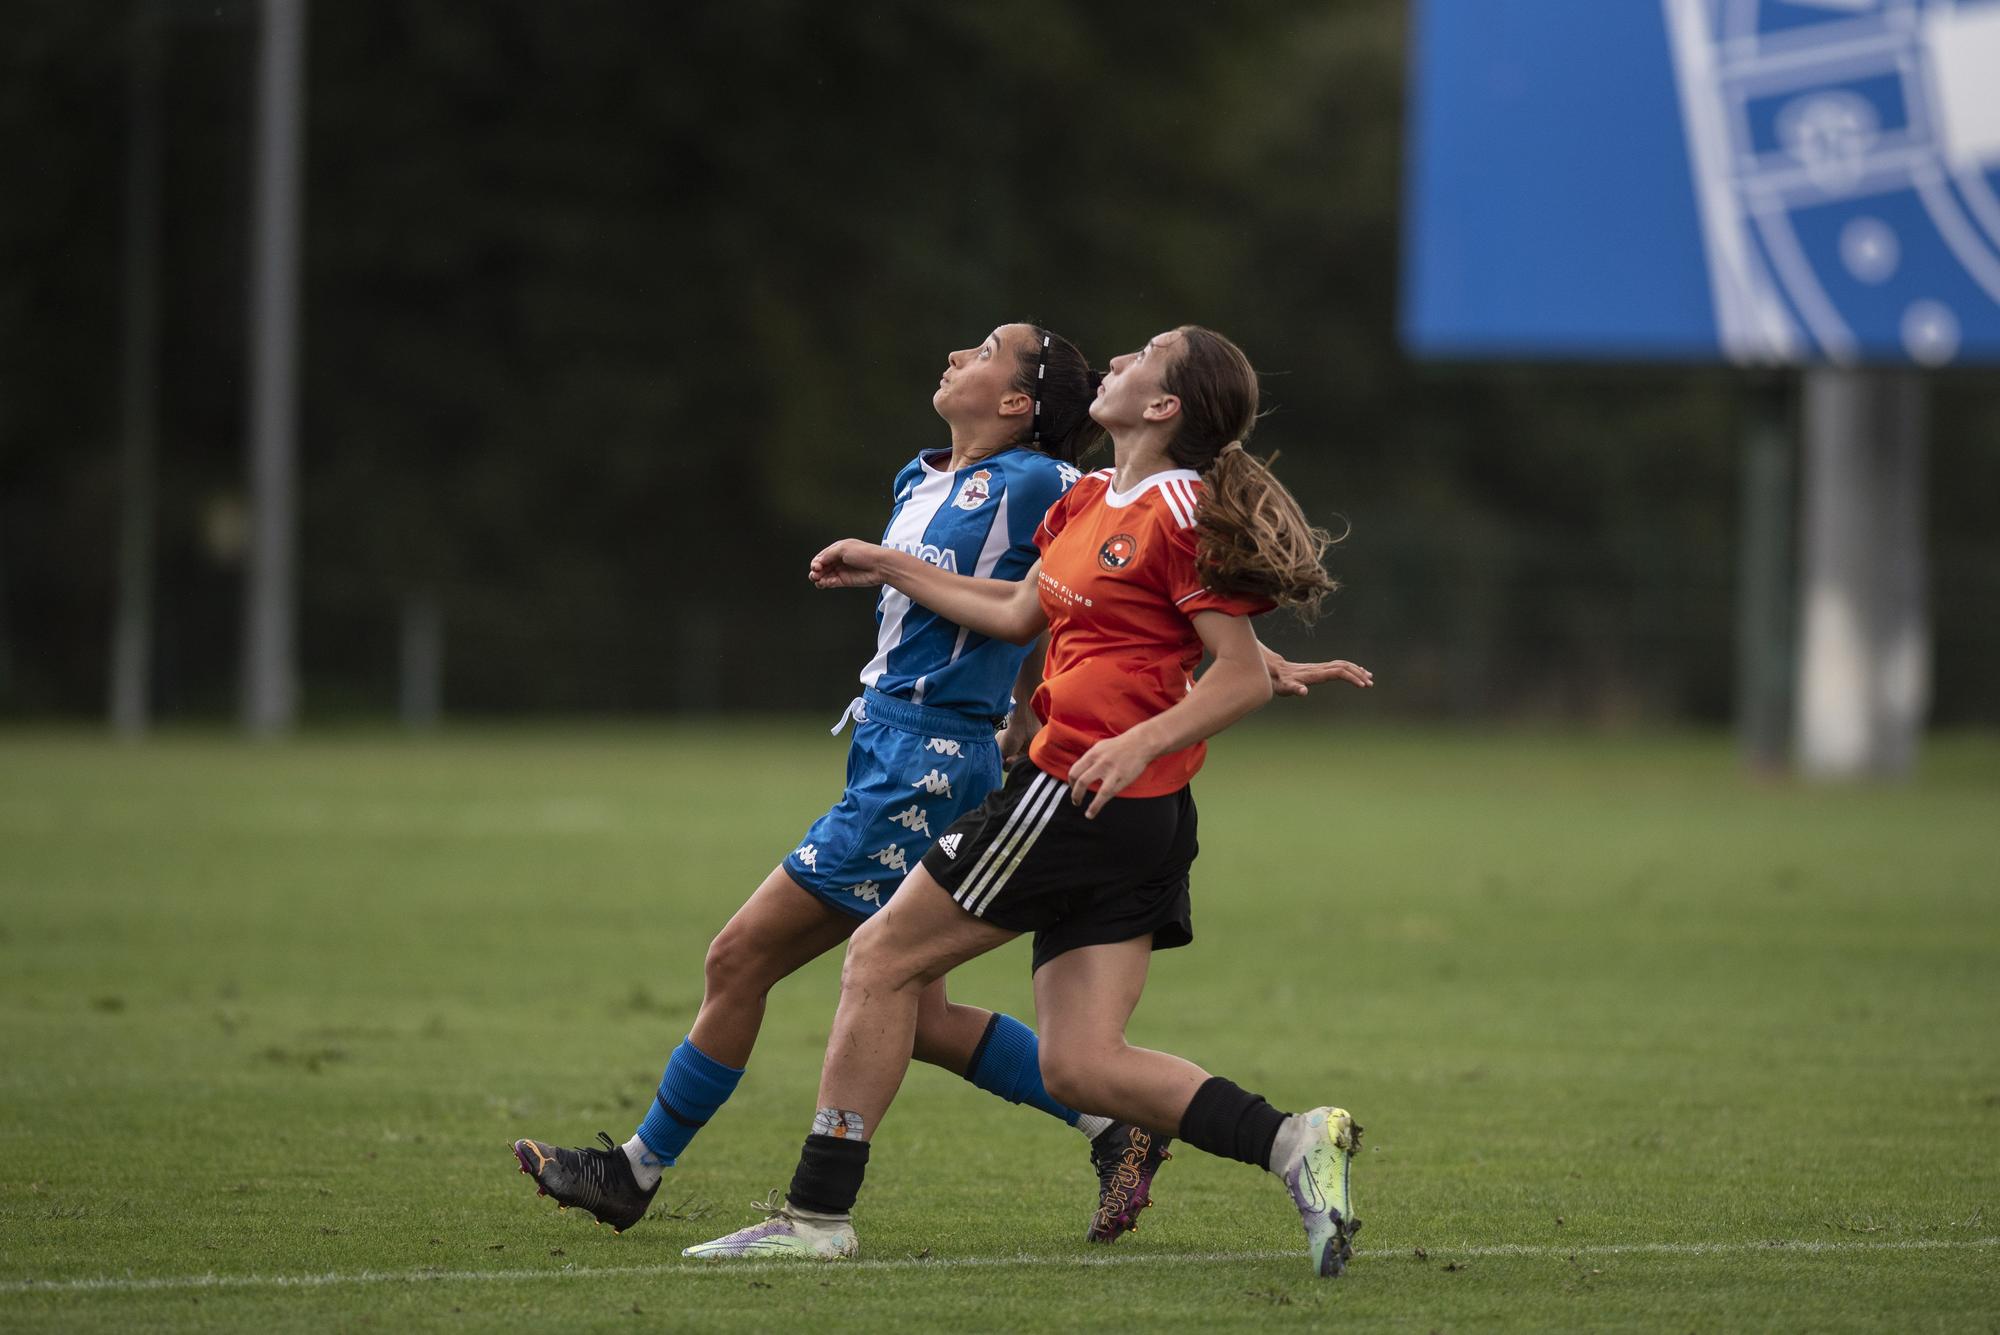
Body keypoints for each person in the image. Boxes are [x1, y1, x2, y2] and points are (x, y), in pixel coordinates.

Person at [511, 323, 1369, 1245]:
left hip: (1058, 789)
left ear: (1162, 406)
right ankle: (1292, 1140)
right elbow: (1020, 610)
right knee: (1074, 1062)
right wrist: (881, 562)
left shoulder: (1143, 498)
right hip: (1092, 800)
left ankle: (800, 1213)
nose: (1117, 360)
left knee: (864, 961)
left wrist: (1157, 728)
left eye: (1142, 355)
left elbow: (1215, 651)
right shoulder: (1082, 503)